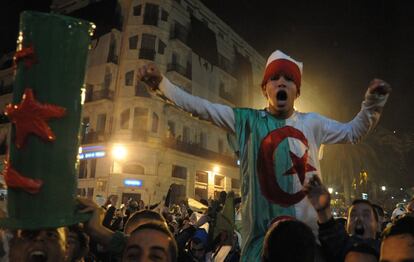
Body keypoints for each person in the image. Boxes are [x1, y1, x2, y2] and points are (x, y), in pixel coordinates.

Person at [137, 50, 391, 261]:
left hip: (308, 246)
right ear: (265, 88)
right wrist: (162, 85)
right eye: (275, 78)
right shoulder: (246, 120)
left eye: (289, 79)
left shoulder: (313, 123)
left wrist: (373, 103)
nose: (282, 83)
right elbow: (200, 108)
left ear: (297, 91)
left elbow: (353, 132)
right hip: (260, 247)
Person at [305, 175, 380, 261]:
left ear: (377, 225)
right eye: (353, 215)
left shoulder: (388, 249)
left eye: (366, 215)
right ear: (346, 225)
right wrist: (323, 209)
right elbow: (329, 230)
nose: (359, 218)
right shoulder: (338, 248)